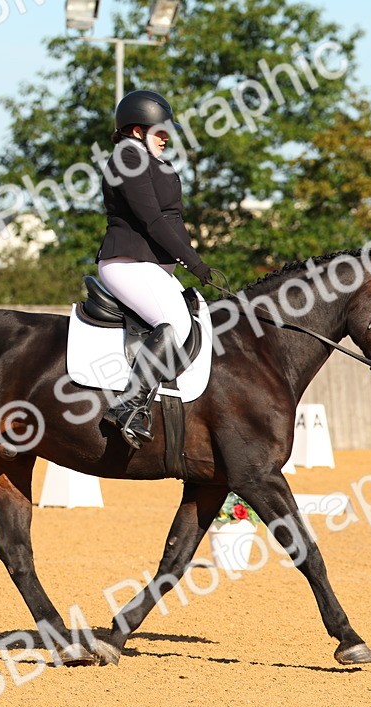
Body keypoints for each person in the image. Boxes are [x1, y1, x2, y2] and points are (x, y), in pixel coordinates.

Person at [96, 89, 213, 449]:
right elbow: (152, 221)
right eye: (159, 131)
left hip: (150, 267)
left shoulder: (150, 161)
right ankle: (129, 406)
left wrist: (189, 262)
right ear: (135, 130)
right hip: (126, 263)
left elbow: (172, 222)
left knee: (198, 314)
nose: (166, 137)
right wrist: (194, 263)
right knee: (175, 324)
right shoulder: (127, 158)